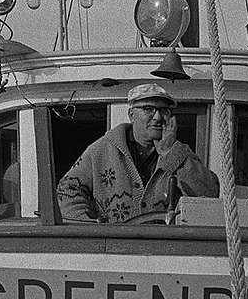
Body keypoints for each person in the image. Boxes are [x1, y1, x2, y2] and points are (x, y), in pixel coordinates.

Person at [57, 83, 219, 223]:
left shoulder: (181, 153)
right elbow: (67, 190)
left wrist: (171, 152)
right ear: (131, 114)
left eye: (164, 110)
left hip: (166, 252)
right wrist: (89, 226)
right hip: (113, 249)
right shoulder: (101, 149)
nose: (158, 116)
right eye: (148, 109)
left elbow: (210, 194)